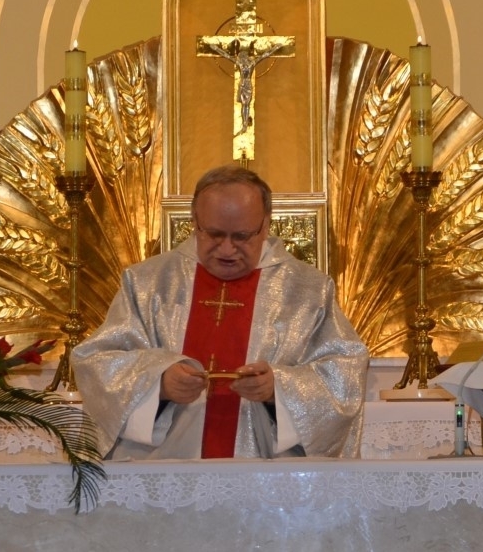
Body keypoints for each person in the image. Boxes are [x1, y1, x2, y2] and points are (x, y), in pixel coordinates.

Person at [74, 165, 367, 459]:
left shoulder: (309, 290)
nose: (227, 249)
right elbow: (98, 363)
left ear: (265, 225)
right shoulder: (147, 282)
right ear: (194, 222)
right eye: (214, 234)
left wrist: (278, 389)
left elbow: (344, 374)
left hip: (265, 477)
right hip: (167, 473)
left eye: (241, 236)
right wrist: (158, 383)